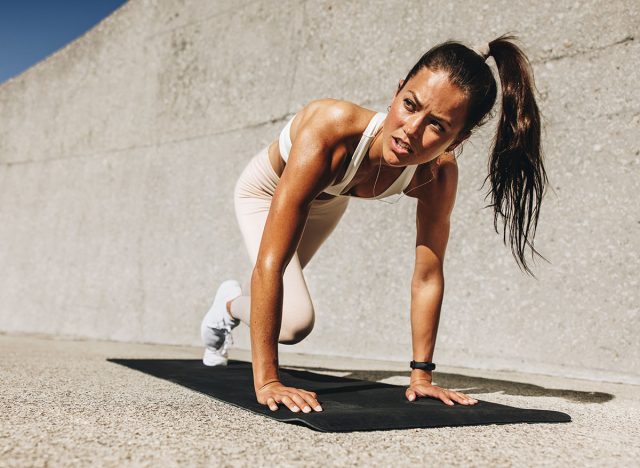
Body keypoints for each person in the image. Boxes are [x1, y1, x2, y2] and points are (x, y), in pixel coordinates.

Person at [200, 34, 547, 414]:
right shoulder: (330, 129)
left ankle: (231, 305)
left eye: (437, 126)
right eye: (410, 105)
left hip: (329, 200)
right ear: (397, 91)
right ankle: (228, 307)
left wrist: (421, 376)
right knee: (294, 324)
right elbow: (271, 263)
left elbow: (428, 275)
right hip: (267, 192)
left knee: (285, 314)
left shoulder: (437, 173)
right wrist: (268, 380)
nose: (411, 131)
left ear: (458, 138)